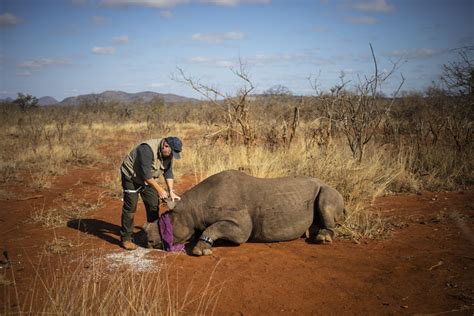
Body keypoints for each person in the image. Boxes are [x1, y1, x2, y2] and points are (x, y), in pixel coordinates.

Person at [119, 136, 183, 250]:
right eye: (171, 152)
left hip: (147, 180)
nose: (171, 155)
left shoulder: (168, 153)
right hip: (131, 177)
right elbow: (146, 175)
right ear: (165, 146)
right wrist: (160, 190)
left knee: (153, 204)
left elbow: (168, 172)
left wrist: (171, 191)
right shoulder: (147, 149)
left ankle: (152, 234)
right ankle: (126, 238)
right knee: (131, 208)